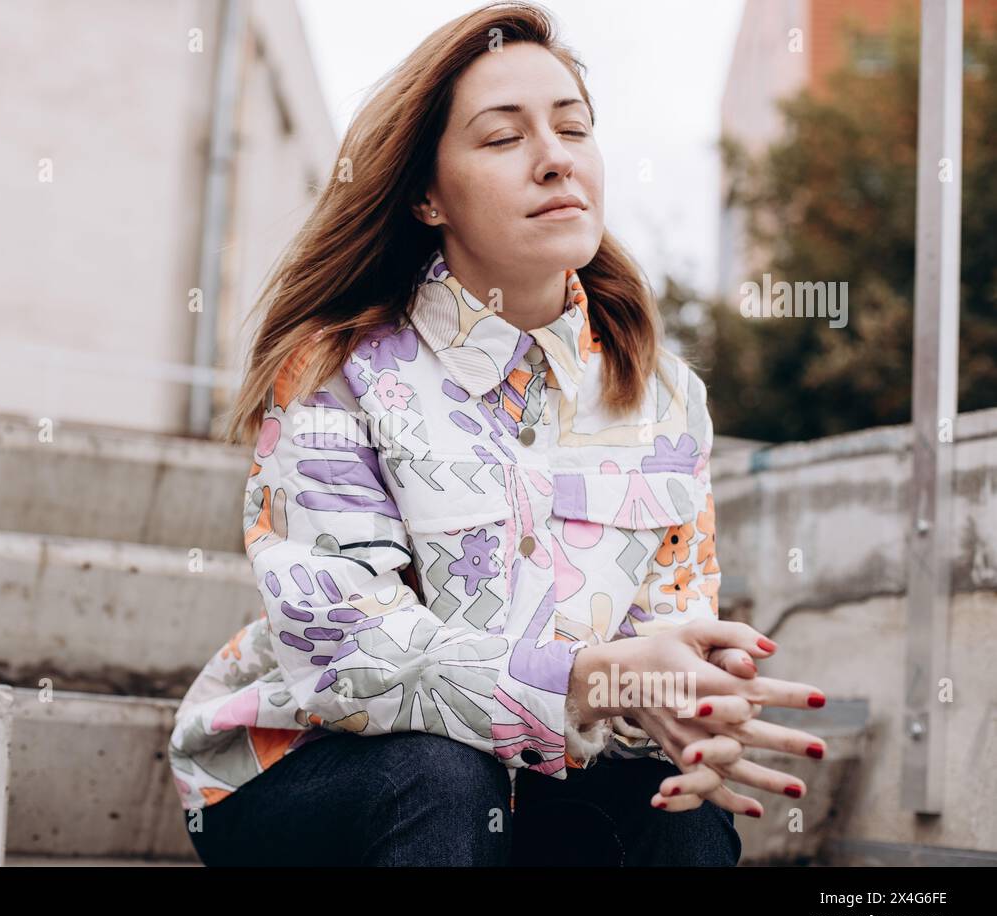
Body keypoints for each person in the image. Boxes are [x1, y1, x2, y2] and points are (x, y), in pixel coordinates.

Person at [168, 0, 828, 867]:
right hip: (306, 772)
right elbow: (350, 657)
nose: (556, 159)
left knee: (683, 818)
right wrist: (595, 677)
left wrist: (683, 709)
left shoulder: (667, 401)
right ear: (427, 195)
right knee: (441, 777)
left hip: (540, 778)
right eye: (503, 137)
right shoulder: (337, 373)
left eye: (572, 128)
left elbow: (665, 633)